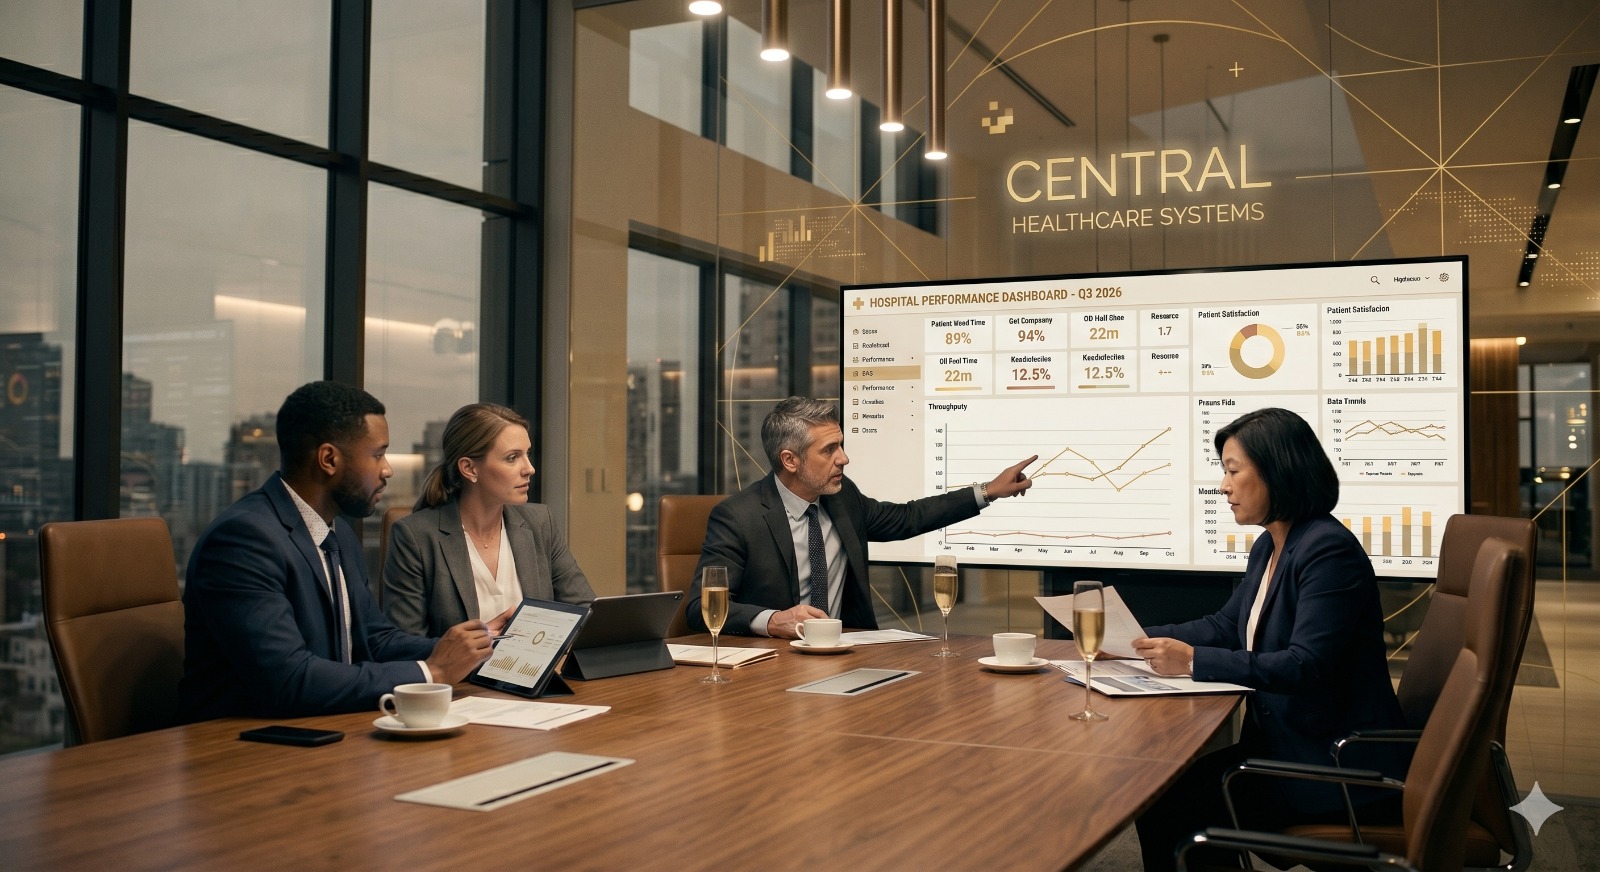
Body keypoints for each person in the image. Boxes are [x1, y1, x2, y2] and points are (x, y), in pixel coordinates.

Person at [1130, 407, 1406, 872]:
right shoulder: (1271, 544)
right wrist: (1131, 638)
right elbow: (1224, 627)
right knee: (1165, 792)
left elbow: (1305, 665)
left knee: (1168, 805)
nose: (1223, 486)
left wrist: (1194, 660)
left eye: (1233, 471)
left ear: (1278, 471)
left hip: (1332, 767)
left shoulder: (1326, 550)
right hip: (1287, 748)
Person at [178, 381, 497, 722]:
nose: (387, 469)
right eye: (377, 454)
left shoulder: (337, 531)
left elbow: (373, 640)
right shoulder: (244, 540)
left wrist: (475, 647)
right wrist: (430, 673)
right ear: (329, 459)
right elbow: (288, 681)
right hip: (240, 746)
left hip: (324, 728)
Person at [686, 396, 1037, 639]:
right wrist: (775, 620)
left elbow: (907, 518)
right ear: (790, 460)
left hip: (850, 655)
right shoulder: (738, 517)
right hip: (773, 664)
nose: (843, 459)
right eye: (829, 450)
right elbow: (699, 608)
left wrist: (987, 490)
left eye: (841, 445)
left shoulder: (843, 498)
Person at [384, 403, 594, 636]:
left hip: (536, 671)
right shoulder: (416, 537)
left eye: (527, 454)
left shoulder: (540, 522)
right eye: (512, 458)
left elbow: (585, 612)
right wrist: (471, 645)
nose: (529, 469)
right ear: (469, 469)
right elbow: (403, 644)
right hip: (461, 673)